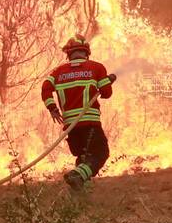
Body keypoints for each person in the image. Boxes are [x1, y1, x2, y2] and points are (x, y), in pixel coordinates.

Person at [41, 34, 116, 192]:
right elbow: (106, 93)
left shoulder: (58, 72)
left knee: (83, 156)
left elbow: (45, 88)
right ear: (86, 52)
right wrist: (106, 81)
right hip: (90, 124)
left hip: (71, 126)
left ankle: (81, 191)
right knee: (100, 153)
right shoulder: (96, 67)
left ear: (68, 53)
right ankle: (77, 176)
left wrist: (52, 108)